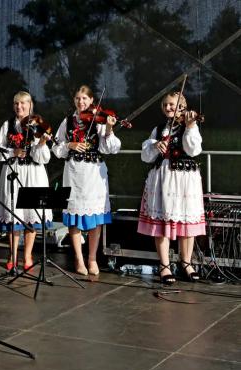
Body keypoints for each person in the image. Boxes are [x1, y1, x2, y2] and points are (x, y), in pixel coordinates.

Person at [52, 85, 121, 276]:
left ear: (91, 100)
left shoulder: (99, 121)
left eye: (84, 98)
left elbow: (111, 148)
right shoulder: (67, 121)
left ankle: (92, 258)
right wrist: (70, 145)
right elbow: (56, 148)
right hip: (74, 173)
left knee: (95, 219)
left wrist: (109, 129)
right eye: (77, 98)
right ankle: (78, 259)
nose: (81, 102)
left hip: (94, 173)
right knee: (74, 219)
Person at [137, 91, 204, 285]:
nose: (168, 107)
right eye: (165, 104)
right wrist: (155, 145)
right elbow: (146, 157)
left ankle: (186, 263)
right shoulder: (158, 129)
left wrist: (190, 127)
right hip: (163, 178)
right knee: (163, 223)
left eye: (172, 104)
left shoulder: (190, 125)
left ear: (182, 107)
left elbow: (193, 150)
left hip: (185, 179)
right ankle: (164, 266)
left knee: (187, 222)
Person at [0, 91, 52, 273]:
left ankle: (27, 256)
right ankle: (12, 255)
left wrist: (41, 144)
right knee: (14, 216)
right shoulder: (7, 125)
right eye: (16, 103)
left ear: (30, 104)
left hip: (34, 174)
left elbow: (44, 158)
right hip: (13, 172)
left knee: (30, 216)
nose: (19, 106)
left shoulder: (38, 125)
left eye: (23, 103)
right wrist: (13, 152)